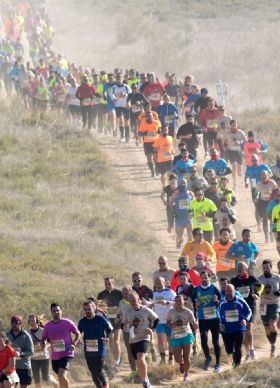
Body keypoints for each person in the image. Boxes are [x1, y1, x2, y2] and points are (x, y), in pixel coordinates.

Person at [122, 292, 159, 388]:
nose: (133, 303)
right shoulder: (127, 312)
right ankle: (145, 380)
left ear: (138, 300)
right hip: (133, 338)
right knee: (138, 361)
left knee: (141, 357)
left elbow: (156, 319)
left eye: (134, 300)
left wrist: (152, 329)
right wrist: (124, 327)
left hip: (144, 337)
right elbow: (123, 323)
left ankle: (146, 381)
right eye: (130, 301)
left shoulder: (145, 310)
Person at [41, 303, 81, 388]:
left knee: (62, 375)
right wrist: (43, 343)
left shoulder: (67, 322)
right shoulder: (48, 325)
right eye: (54, 311)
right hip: (55, 356)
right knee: (60, 377)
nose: (56, 312)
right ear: (51, 312)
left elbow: (78, 334)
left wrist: (74, 344)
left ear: (61, 311)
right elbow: (44, 337)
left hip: (67, 353)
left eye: (58, 310)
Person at [231, 262, 263, 361]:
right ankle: (248, 351)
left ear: (246, 269)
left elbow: (261, 286)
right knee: (242, 331)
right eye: (238, 267)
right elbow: (230, 291)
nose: (239, 269)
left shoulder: (251, 278)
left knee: (248, 328)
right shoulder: (234, 280)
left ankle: (252, 349)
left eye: (242, 267)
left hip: (250, 306)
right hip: (239, 308)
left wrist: (257, 293)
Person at [78, 300, 112, 388]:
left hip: (100, 349)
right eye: (85, 310)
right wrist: (77, 341)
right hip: (88, 350)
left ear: (94, 308)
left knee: (96, 372)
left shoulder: (100, 319)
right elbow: (78, 333)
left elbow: (110, 330)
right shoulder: (82, 322)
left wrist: (107, 337)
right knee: (94, 372)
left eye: (89, 309)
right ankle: (105, 385)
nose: (87, 311)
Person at [193, 272, 222, 373]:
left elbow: (221, 300)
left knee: (215, 342)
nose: (204, 279)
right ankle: (208, 358)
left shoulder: (214, 288)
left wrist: (217, 301)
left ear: (209, 278)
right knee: (204, 341)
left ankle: (218, 363)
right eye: (202, 278)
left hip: (214, 318)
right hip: (203, 319)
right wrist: (196, 304)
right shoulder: (197, 289)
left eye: (206, 278)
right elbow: (193, 302)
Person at [167, 295, 198, 382]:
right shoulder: (171, 312)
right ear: (174, 302)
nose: (178, 303)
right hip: (176, 336)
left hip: (187, 335)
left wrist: (195, 325)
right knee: (177, 358)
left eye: (180, 301)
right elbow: (168, 322)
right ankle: (181, 363)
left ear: (183, 302)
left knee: (186, 356)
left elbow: (193, 322)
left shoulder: (188, 312)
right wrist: (171, 325)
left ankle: (186, 374)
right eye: (176, 301)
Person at [219, 284, 252, 368]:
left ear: (234, 291)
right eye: (227, 291)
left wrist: (245, 319)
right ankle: (234, 357)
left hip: (239, 328)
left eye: (230, 290)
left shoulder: (240, 301)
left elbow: (249, 311)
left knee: (238, 347)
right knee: (229, 350)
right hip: (227, 329)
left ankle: (237, 364)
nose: (228, 293)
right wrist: (220, 323)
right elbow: (218, 314)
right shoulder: (222, 303)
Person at [97, 277, 123, 368]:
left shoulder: (119, 293)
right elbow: (99, 308)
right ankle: (116, 357)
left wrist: (120, 316)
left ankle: (117, 362)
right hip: (107, 321)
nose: (107, 285)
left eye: (109, 283)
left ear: (113, 283)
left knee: (116, 341)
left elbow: (123, 304)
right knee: (111, 341)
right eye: (106, 284)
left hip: (117, 320)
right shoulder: (101, 294)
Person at [28, 315, 58, 388]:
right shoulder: (28, 333)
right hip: (33, 358)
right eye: (30, 321)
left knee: (45, 377)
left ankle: (55, 382)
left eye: (33, 320)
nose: (31, 322)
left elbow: (52, 342)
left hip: (44, 357)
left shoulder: (43, 331)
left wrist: (46, 347)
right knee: (36, 378)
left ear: (37, 321)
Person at [258, 259, 280, 357]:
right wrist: (258, 292)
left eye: (267, 268)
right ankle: (272, 344)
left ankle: (273, 347)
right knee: (266, 327)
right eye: (264, 268)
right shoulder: (259, 279)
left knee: (272, 324)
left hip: (275, 304)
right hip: (263, 306)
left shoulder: (277, 278)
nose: (265, 269)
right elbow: (256, 290)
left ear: (271, 268)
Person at [244, 154, 272, 230]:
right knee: (257, 207)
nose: (254, 162)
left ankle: (269, 220)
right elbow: (246, 176)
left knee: (267, 205)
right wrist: (246, 182)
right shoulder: (249, 168)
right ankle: (259, 225)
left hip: (265, 188)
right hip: (255, 189)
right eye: (252, 161)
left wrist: (267, 179)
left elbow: (271, 173)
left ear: (258, 160)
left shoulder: (264, 166)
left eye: (255, 160)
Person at [153, 277, 176, 364]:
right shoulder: (154, 293)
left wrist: (167, 302)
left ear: (164, 282)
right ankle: (162, 360)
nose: (158, 285)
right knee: (160, 339)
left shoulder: (170, 292)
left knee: (170, 340)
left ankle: (170, 358)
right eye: (156, 283)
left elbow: (176, 302)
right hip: (159, 321)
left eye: (160, 282)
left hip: (169, 320)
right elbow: (154, 304)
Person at [7, 315, 33, 388]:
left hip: (24, 367)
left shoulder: (26, 336)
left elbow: (31, 351)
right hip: (11, 367)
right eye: (12, 323)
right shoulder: (7, 335)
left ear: (21, 323)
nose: (14, 325)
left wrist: (20, 354)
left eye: (16, 323)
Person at [169, 178, 194, 247]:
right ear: (179, 184)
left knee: (190, 234)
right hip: (179, 216)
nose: (183, 184)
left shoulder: (190, 193)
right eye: (181, 183)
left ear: (186, 184)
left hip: (188, 216)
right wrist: (173, 211)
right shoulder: (176, 193)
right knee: (179, 235)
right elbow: (170, 203)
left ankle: (190, 247)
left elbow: (195, 203)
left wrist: (192, 212)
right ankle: (181, 240)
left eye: (184, 183)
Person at [116, 286, 136, 371]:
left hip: (136, 329)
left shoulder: (135, 301)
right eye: (123, 293)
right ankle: (133, 369)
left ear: (130, 292)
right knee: (129, 348)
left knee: (136, 347)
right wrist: (117, 320)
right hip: (126, 329)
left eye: (126, 293)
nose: (124, 295)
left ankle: (142, 362)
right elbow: (119, 313)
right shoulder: (121, 302)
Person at [223, 119, 246, 189]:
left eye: (235, 125)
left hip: (239, 151)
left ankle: (239, 171)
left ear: (237, 125)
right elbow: (224, 141)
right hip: (231, 151)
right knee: (234, 166)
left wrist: (240, 143)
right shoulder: (227, 133)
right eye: (232, 125)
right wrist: (225, 147)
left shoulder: (240, 132)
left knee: (239, 169)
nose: (234, 126)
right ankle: (235, 184)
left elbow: (245, 141)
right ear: (230, 126)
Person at [255, 170, 277, 242]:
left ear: (268, 176)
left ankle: (271, 233)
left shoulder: (272, 183)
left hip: (271, 203)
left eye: (265, 175)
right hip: (263, 203)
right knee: (265, 220)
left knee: (272, 220)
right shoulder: (259, 184)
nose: (263, 177)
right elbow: (256, 193)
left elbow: (277, 192)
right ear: (260, 176)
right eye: (262, 175)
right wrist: (256, 197)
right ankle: (266, 236)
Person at [138, 109, 161, 178]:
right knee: (149, 158)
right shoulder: (143, 123)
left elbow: (161, 130)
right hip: (147, 143)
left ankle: (157, 170)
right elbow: (139, 133)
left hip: (155, 142)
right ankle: (152, 172)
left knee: (156, 158)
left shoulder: (156, 122)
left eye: (151, 117)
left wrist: (159, 131)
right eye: (148, 117)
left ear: (152, 117)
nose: (150, 118)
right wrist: (143, 133)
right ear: (146, 117)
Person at [111, 73, 131, 142]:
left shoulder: (126, 87)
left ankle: (127, 136)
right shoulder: (114, 88)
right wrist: (116, 97)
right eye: (117, 79)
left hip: (126, 106)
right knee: (121, 121)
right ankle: (122, 136)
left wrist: (125, 94)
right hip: (118, 106)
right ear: (116, 80)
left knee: (126, 121)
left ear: (123, 79)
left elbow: (130, 95)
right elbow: (113, 98)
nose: (119, 80)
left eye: (120, 79)